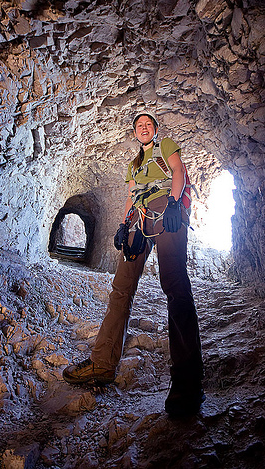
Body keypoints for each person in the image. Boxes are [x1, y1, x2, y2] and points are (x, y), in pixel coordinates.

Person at [63, 113, 205, 417]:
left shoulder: (166, 145)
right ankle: (102, 365)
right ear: (134, 132)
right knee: (121, 288)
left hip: (167, 211)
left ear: (154, 130)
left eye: (149, 124)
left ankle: (188, 381)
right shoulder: (133, 165)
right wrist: (123, 225)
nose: (144, 127)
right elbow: (130, 196)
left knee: (175, 284)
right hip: (139, 220)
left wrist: (174, 202)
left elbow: (178, 171)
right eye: (139, 124)